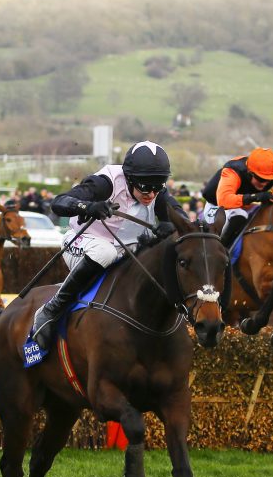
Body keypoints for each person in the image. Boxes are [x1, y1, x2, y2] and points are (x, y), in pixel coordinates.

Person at [30, 140, 182, 351]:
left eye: (158, 187)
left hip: (127, 251)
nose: (152, 194)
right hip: (84, 242)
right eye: (146, 187)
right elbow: (59, 202)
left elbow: (181, 218)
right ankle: (51, 310)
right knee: (106, 252)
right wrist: (89, 206)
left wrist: (170, 226)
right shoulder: (105, 183)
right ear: (129, 178)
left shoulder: (155, 190)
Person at [202, 147, 273, 247]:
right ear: (250, 172)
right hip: (217, 206)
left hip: (242, 205)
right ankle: (222, 253)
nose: (264, 183)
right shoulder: (233, 171)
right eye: (260, 179)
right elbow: (224, 201)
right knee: (239, 216)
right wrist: (255, 197)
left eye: (268, 180)